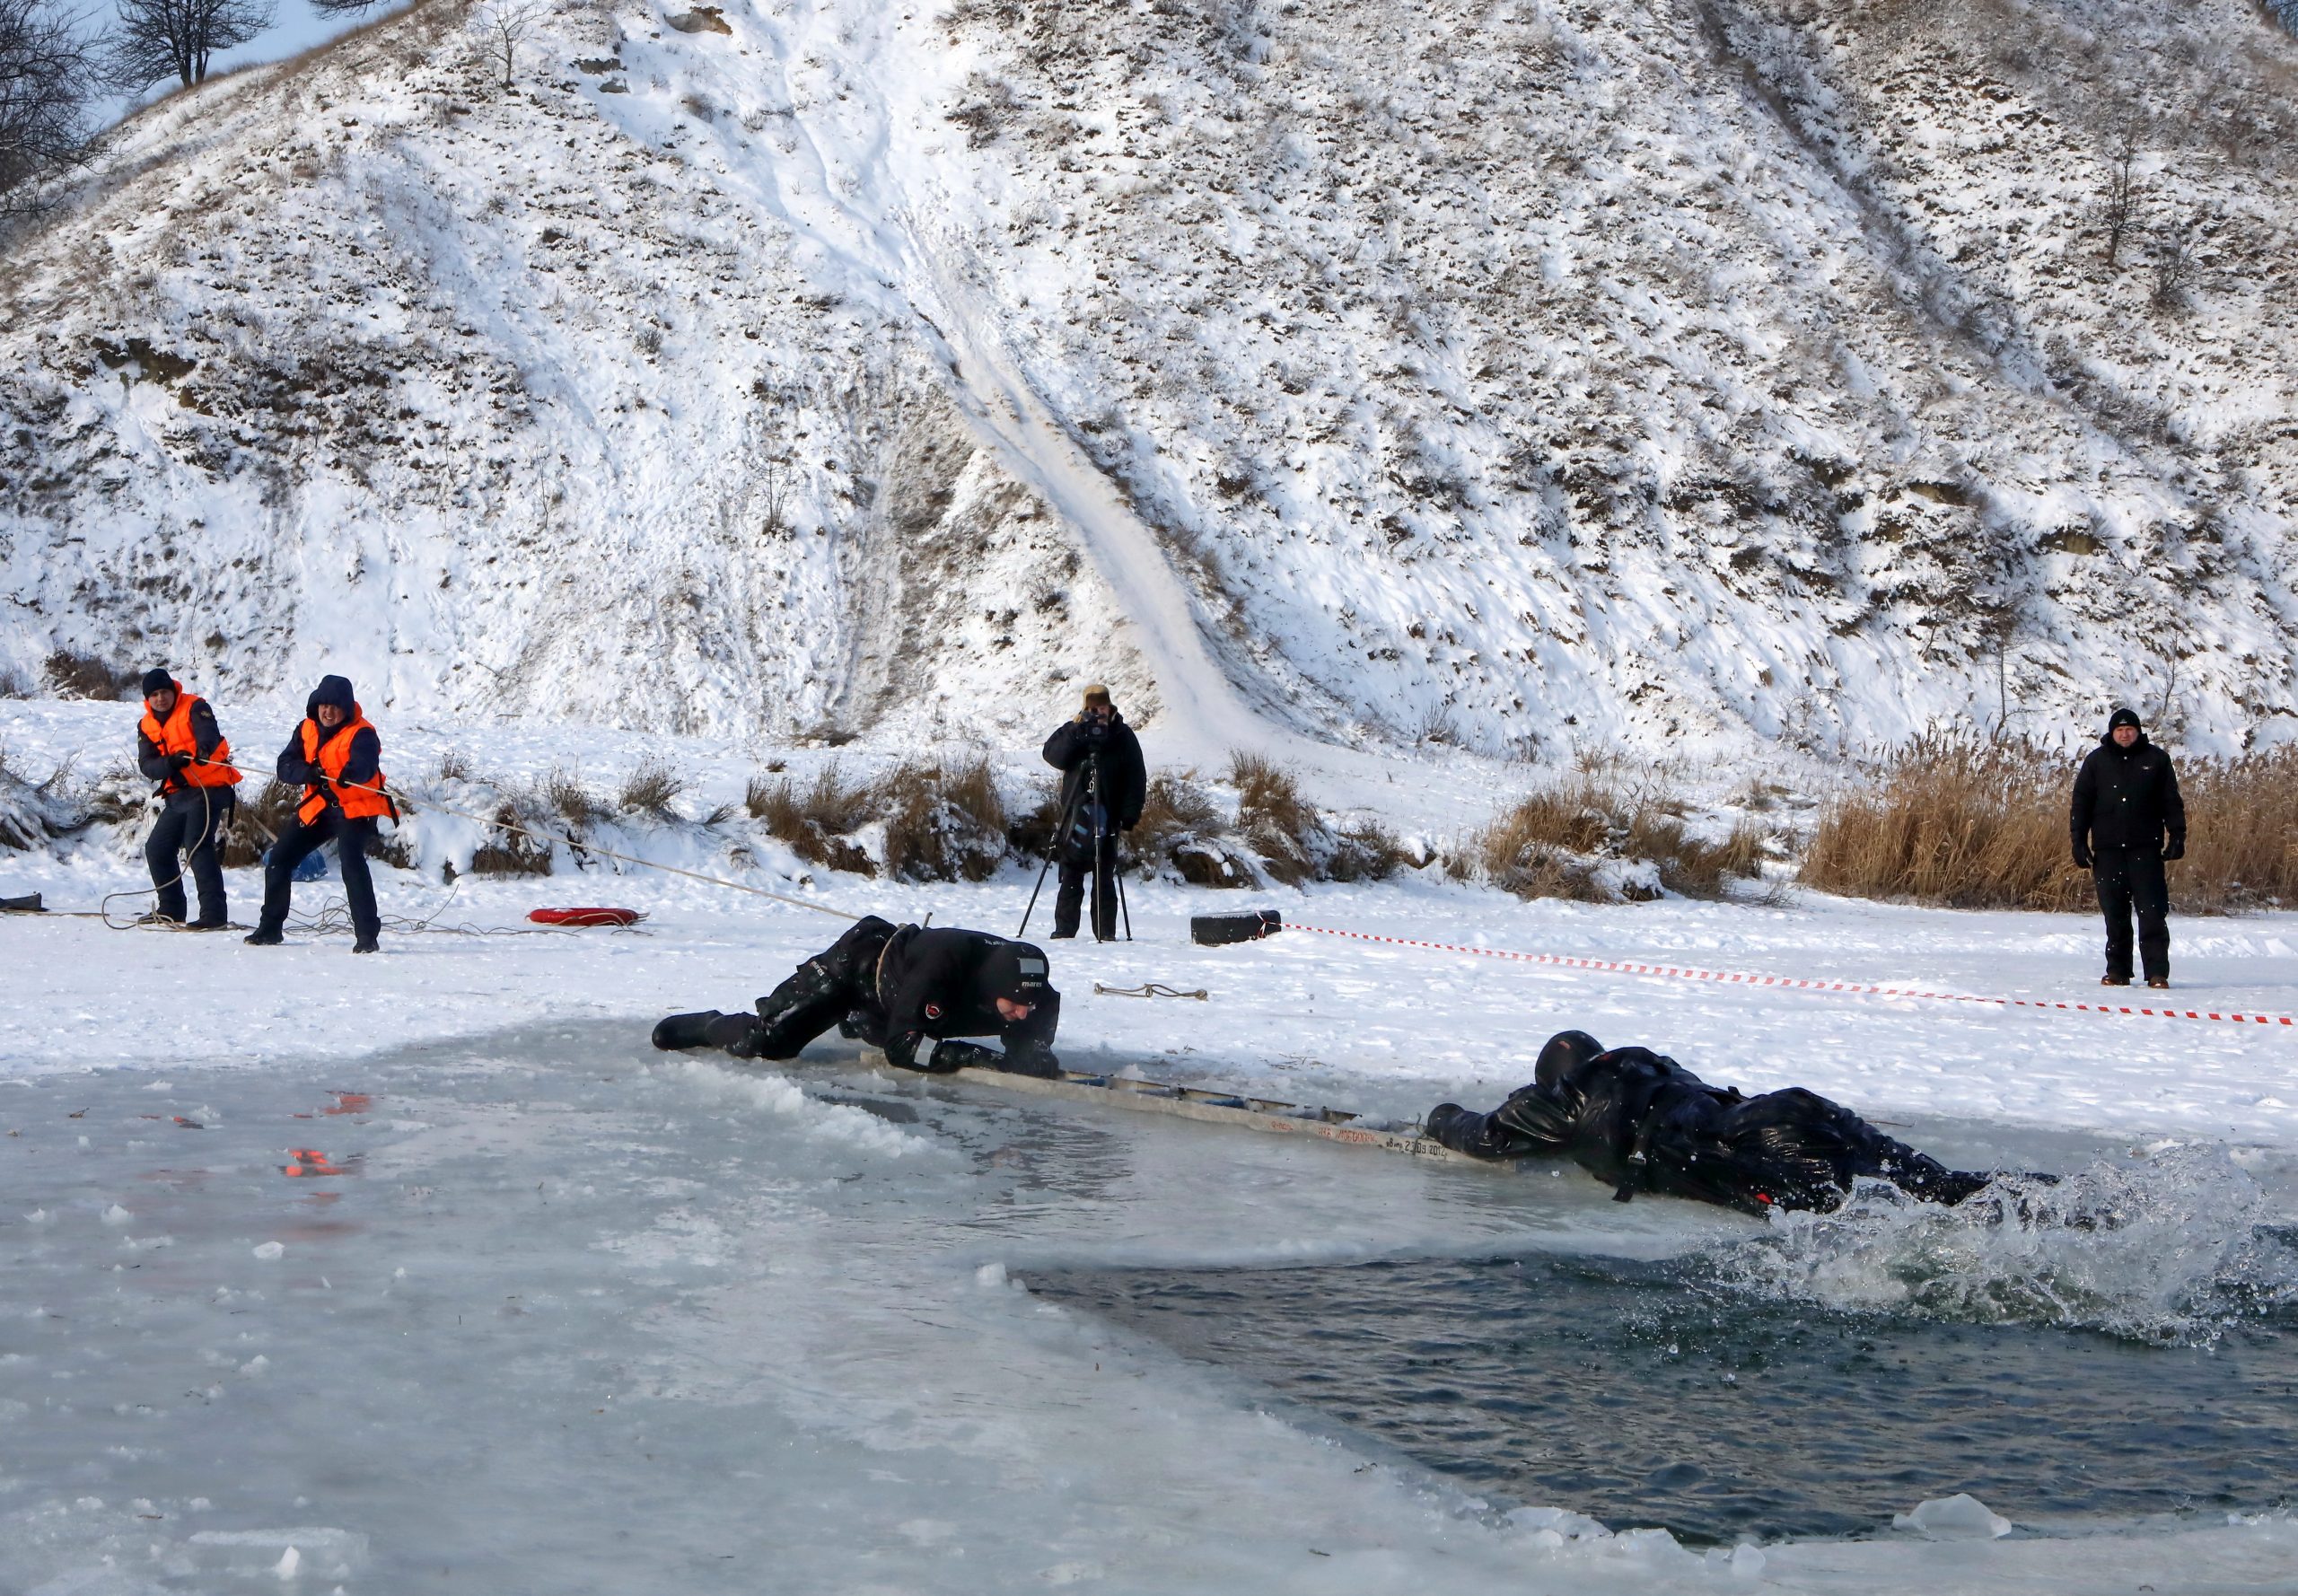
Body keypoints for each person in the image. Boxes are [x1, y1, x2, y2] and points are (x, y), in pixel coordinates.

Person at [1424, 1030, 2000, 1216]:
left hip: (1748, 1148)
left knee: (1862, 1219)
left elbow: (1491, 1138)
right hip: (1789, 1107)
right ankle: (2062, 1202)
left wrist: (1440, 1117)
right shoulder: (1649, 1065)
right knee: (1942, 1188)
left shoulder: (1561, 1100)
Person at [651, 916, 1062, 1076]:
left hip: (897, 999)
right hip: (858, 967)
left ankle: (863, 1022)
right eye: (1016, 1006)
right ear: (991, 991)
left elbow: (1033, 1034)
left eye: (1031, 1005)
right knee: (766, 1043)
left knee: (894, 1025)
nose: (1025, 1013)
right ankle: (708, 1024)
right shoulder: (943, 968)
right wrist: (980, 1057)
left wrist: (1033, 1052)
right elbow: (903, 1050)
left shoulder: (1030, 990)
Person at [244, 675, 392, 953]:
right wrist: (307, 773)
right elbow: (284, 765)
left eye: (335, 706)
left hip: (355, 807)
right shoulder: (306, 728)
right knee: (279, 859)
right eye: (324, 705)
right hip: (320, 806)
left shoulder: (363, 733)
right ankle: (270, 929)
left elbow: (366, 765)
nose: (328, 711)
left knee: (351, 861)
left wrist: (351, 775)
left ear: (346, 709)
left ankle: (367, 936)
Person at [2070, 706, 2185, 989]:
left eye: (2129, 729)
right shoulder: (2096, 762)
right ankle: (2118, 971)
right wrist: (2078, 841)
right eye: (2119, 730)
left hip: (2145, 849)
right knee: (2115, 913)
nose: (2124, 734)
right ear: (2112, 732)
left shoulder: (2157, 760)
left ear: (2138, 732)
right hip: (2108, 851)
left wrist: (2178, 835)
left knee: (2152, 912)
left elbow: (2171, 801)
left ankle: (2157, 973)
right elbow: (2081, 802)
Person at [136, 668, 241, 928]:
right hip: (180, 793)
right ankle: (171, 908)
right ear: (148, 699)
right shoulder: (146, 725)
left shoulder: (195, 707)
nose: (161, 698)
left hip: (209, 788)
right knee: (157, 849)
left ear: (174, 691)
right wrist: (171, 762)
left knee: (197, 845)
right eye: (155, 694)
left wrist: (201, 751)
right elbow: (148, 766)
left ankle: (214, 915)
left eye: (165, 692)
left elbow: (209, 735)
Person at [1040, 684, 1145, 941]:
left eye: (1102, 707)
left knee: (1104, 878)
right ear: (1085, 707)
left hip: (1109, 814)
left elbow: (1136, 776)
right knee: (1071, 875)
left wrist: (1130, 813)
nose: (1098, 713)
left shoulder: (1122, 735)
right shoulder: (1074, 729)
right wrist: (1077, 732)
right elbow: (1052, 756)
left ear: (1110, 706)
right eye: (1092, 708)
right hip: (1075, 814)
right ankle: (1065, 931)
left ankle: (1105, 932)